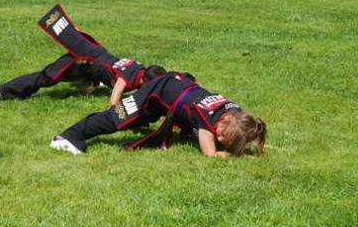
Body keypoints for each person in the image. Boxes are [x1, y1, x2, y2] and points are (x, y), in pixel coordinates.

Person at [50, 66, 267, 158]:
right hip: (159, 89)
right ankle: (68, 136)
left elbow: (242, 131)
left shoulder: (234, 111)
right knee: (117, 118)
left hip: (179, 86)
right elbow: (210, 155)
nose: (218, 137)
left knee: (145, 118)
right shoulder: (209, 119)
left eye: (223, 138)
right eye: (221, 133)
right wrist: (234, 154)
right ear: (228, 118)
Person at [0, 4, 164, 106]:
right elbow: (113, 103)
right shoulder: (127, 78)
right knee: (46, 78)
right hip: (84, 59)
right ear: (144, 81)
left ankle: (90, 82)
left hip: (96, 57)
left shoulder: (141, 68)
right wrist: (130, 117)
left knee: (91, 81)